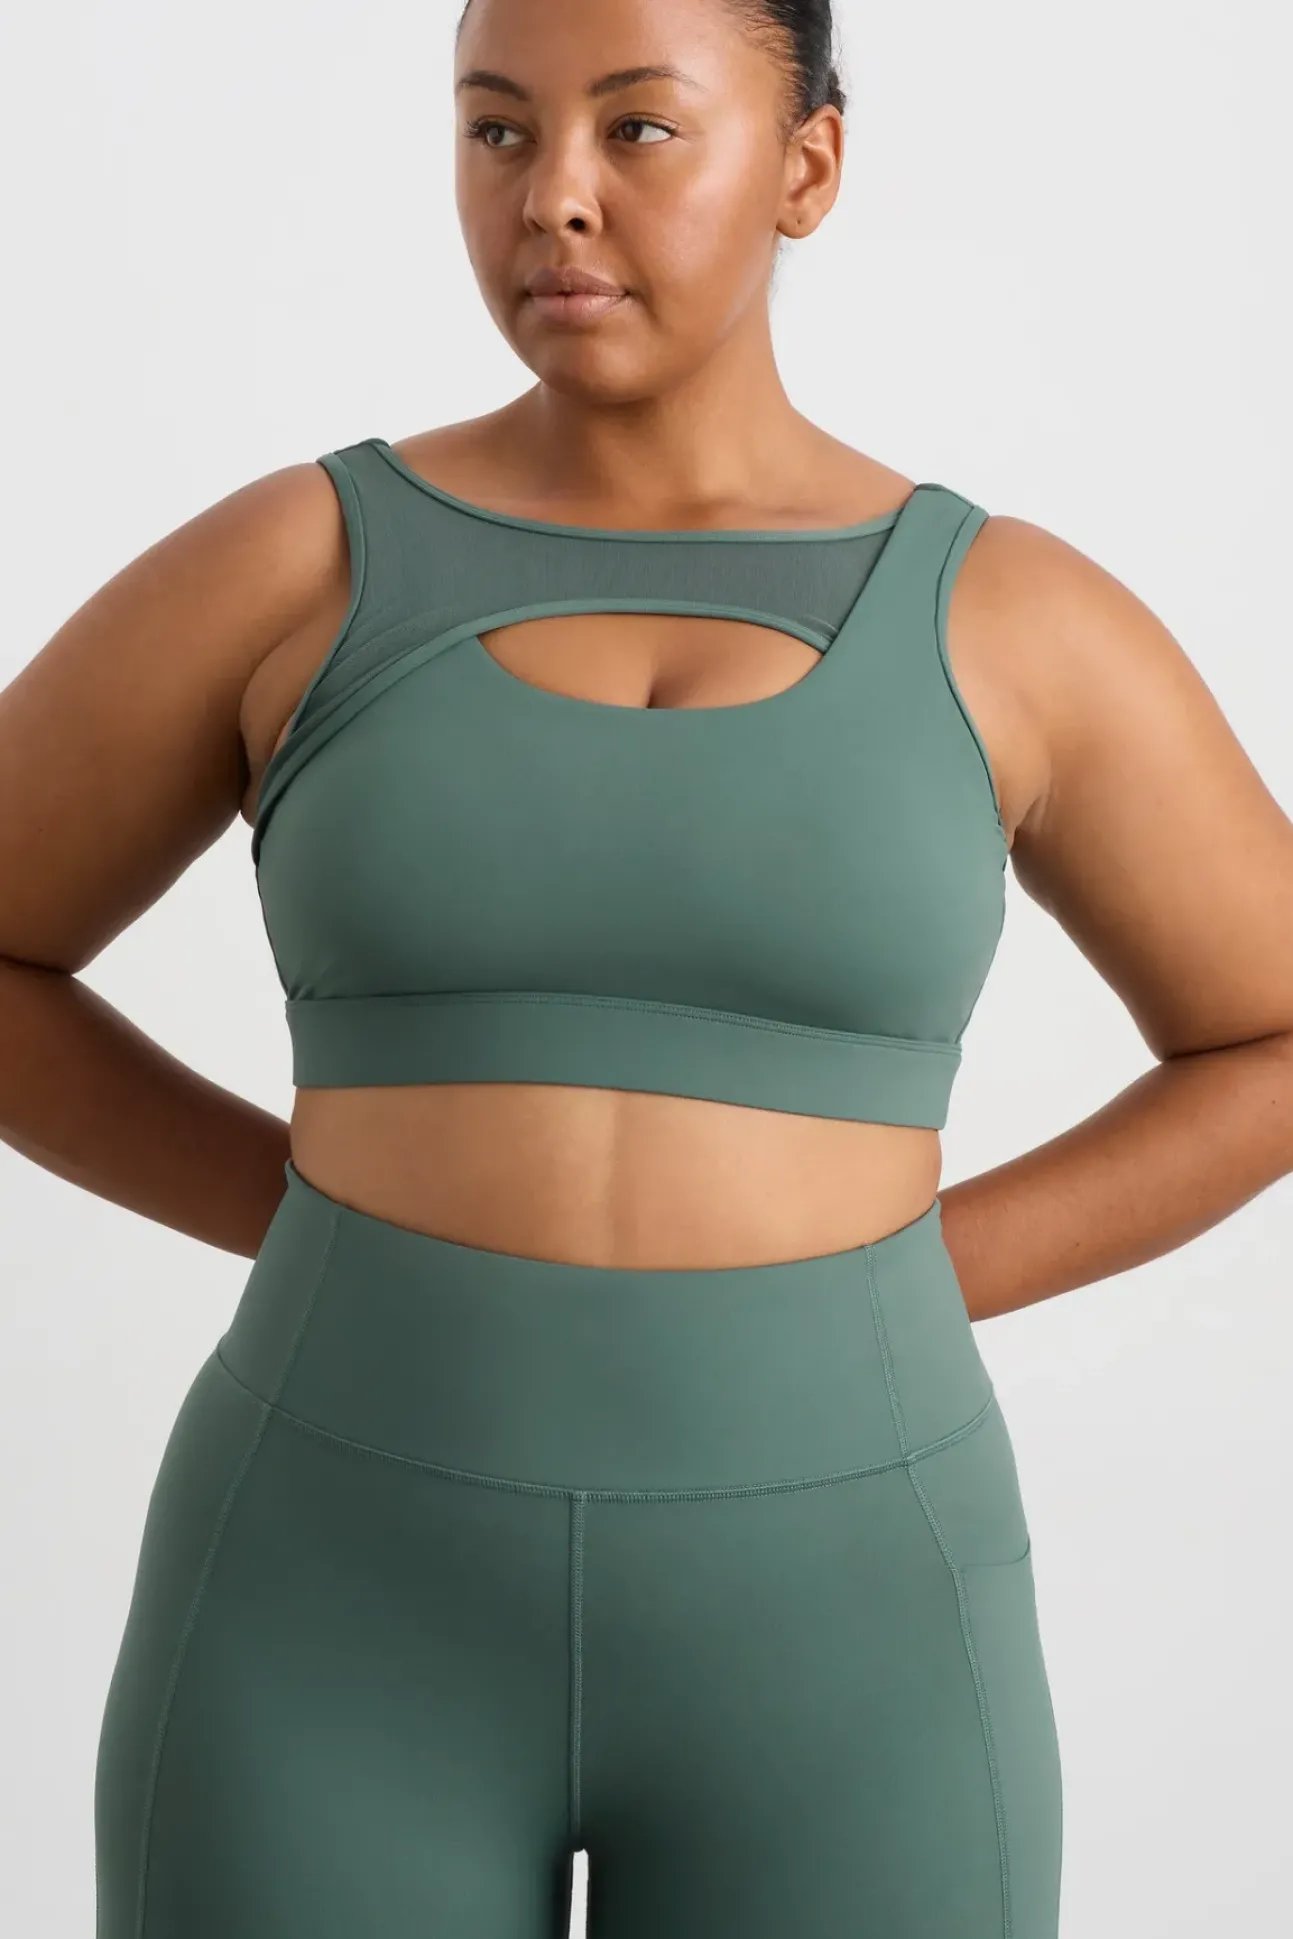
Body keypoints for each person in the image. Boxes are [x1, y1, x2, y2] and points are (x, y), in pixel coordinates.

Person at [3, 0, 1291, 1934]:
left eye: (637, 128)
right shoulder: (299, 568)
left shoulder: (1013, 620)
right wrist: (306, 1218)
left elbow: (1270, 1030)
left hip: (853, 1627)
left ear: (809, 165)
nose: (556, 198)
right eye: (497, 131)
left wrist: (912, 1274)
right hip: (329, 1602)